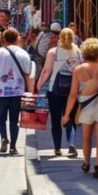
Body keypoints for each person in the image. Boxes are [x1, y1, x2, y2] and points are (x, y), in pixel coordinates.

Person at [62, 38, 98, 178]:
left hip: (85, 106)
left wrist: (67, 115)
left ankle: (86, 162)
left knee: (86, 137)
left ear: (84, 52)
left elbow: (73, 94)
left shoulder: (79, 70)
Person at [36, 27, 83, 157]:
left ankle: (57, 148)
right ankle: (72, 144)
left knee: (56, 120)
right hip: (73, 90)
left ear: (60, 37)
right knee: (71, 118)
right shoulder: (78, 51)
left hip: (54, 90)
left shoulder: (53, 51)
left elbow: (46, 71)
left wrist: (39, 84)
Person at [0, 28, 32, 155]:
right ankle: (13, 146)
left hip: (0, 91)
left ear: (3, 39)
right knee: (14, 120)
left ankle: (3, 137)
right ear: (17, 38)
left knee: (0, 118)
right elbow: (28, 73)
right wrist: (30, 91)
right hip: (17, 92)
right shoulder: (23, 53)